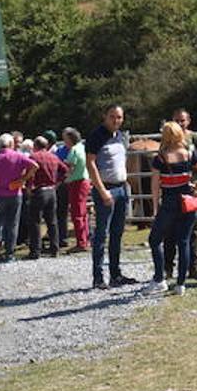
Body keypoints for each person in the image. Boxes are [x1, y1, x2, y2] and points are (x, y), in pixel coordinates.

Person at [149, 121, 197, 295]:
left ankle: (159, 278)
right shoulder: (189, 153)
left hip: (170, 201)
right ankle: (180, 284)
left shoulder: (160, 158)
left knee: (155, 239)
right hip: (188, 201)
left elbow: (155, 185)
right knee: (184, 242)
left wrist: (156, 207)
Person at [86, 105, 136, 290]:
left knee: (117, 233)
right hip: (105, 189)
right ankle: (98, 277)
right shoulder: (97, 136)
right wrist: (101, 190)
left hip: (122, 188)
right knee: (101, 234)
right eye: (112, 116)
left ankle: (116, 274)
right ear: (104, 116)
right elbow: (90, 164)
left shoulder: (120, 136)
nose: (116, 120)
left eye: (119, 117)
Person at [164, 109, 197, 281]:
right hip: (171, 192)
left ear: (188, 121)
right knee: (169, 231)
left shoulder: (195, 139)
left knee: (192, 231)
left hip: (191, 192)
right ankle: (167, 268)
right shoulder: (166, 142)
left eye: (182, 120)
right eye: (176, 120)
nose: (179, 124)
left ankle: (193, 267)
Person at [0, 134, 37, 265]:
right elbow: (34, 166)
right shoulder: (18, 156)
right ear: (11, 144)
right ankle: (9, 254)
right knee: (12, 225)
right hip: (15, 194)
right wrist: (23, 179)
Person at [26, 137, 69, 259]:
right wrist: (57, 182)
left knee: (35, 221)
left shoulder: (33, 157)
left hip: (39, 191)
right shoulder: (54, 157)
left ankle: (35, 250)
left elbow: (30, 174)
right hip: (51, 191)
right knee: (52, 221)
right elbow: (65, 170)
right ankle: (54, 248)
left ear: (35, 145)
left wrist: (29, 188)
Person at [60, 128, 90, 253]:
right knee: (83, 213)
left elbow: (69, 167)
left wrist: (64, 178)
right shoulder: (82, 147)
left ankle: (81, 242)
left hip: (77, 183)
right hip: (84, 181)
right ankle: (85, 239)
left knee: (77, 214)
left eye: (65, 138)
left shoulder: (73, 150)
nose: (64, 141)